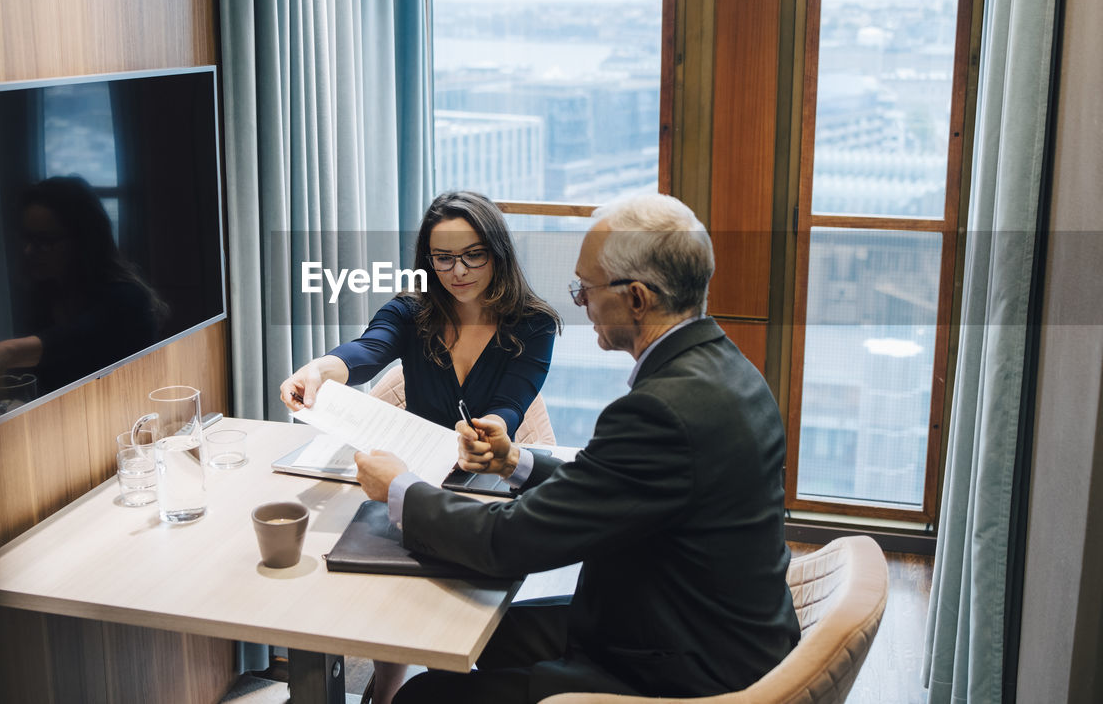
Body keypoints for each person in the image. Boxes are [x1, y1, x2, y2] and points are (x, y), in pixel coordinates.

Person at [353, 193, 799, 704]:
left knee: (425, 695)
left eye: (585, 288)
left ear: (636, 298)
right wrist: (515, 461)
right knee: (470, 625)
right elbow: (611, 482)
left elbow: (509, 542)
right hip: (690, 621)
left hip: (678, 668)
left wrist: (399, 488)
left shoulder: (664, 409)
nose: (581, 302)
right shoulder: (726, 369)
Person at [281, 189, 562, 703]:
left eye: (473, 254)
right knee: (367, 565)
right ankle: (389, 683)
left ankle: (424, 681)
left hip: (485, 481)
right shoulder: (414, 310)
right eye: (444, 257)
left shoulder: (534, 323)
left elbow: (511, 404)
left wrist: (490, 432)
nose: (459, 271)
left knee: (454, 609)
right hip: (418, 473)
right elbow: (368, 350)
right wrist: (321, 370)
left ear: (497, 250)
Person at [0, 175, 168, 403]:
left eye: (45, 240)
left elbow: (76, 339)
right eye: (27, 238)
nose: (29, 251)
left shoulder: (127, 298)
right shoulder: (44, 296)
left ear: (84, 241)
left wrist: (5, 352)